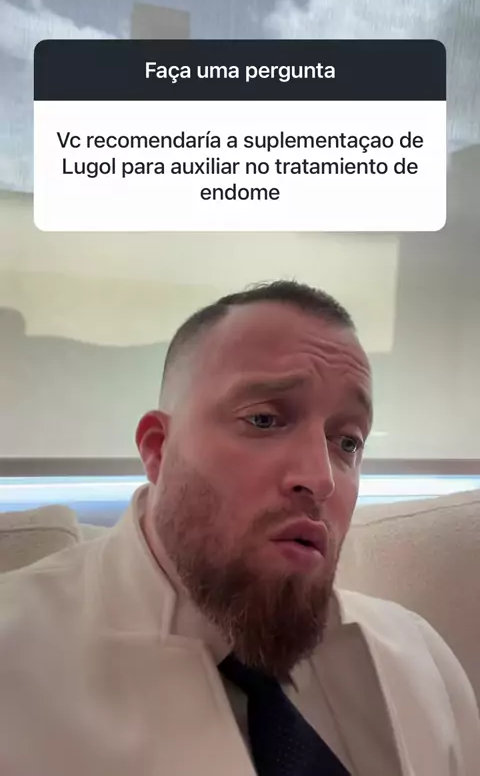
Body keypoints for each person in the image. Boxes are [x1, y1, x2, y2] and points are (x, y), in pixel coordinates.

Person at [0, 280, 478, 776]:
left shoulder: (421, 662)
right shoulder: (16, 668)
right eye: (265, 420)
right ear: (159, 450)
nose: (321, 479)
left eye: (347, 442)